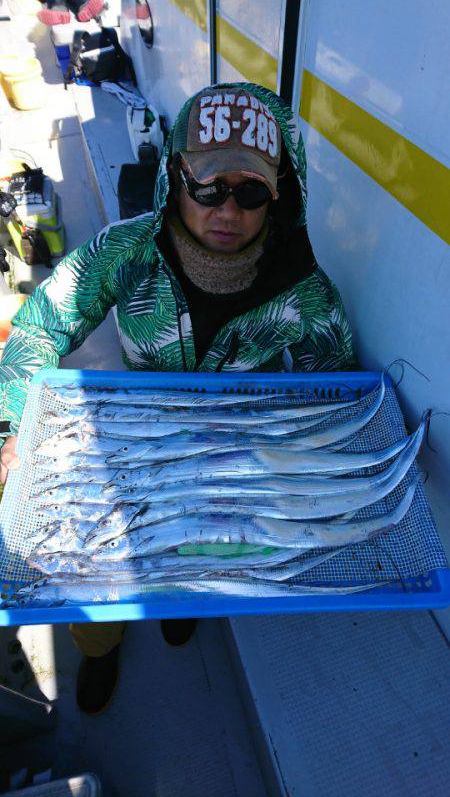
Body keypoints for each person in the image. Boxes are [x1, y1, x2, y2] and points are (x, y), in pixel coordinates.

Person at [0, 83, 355, 714]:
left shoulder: (308, 293)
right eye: (208, 187)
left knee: (196, 574)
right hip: (129, 452)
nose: (228, 210)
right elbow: (41, 326)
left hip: (229, 474)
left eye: (251, 191)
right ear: (175, 177)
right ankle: (100, 647)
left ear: (279, 195)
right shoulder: (124, 251)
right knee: (98, 573)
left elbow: (332, 395)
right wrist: (8, 424)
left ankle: (184, 611)